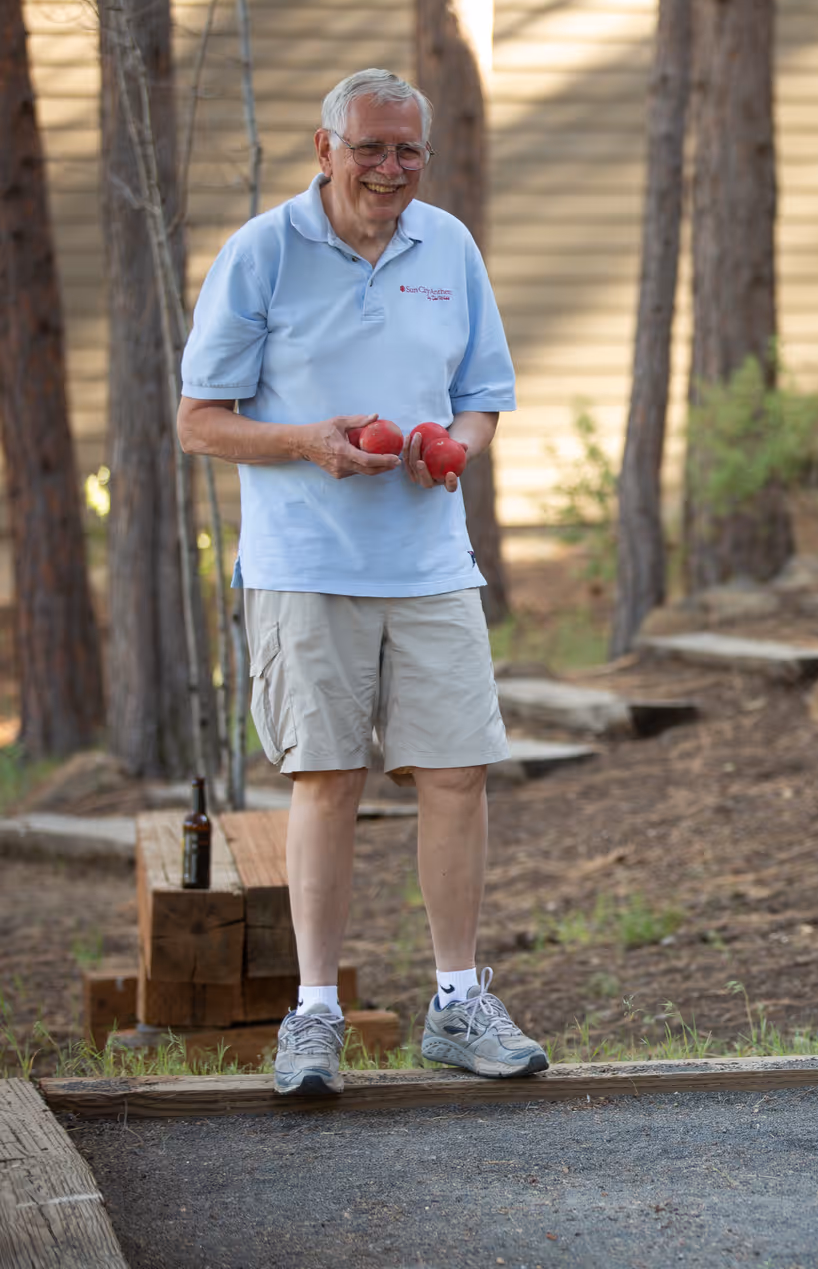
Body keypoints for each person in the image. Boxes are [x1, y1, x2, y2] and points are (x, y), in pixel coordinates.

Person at [176, 68, 547, 1095]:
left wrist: (456, 447)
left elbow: (480, 398)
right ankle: (316, 1014)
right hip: (307, 564)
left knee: (457, 772)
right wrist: (307, 441)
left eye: (408, 150)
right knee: (327, 779)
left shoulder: (450, 246)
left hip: (430, 560)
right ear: (324, 147)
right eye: (372, 148)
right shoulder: (263, 252)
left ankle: (460, 1000)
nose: (392, 169)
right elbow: (197, 418)